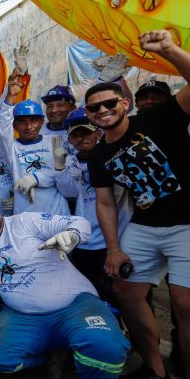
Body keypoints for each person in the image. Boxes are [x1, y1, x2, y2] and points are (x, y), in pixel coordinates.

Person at [86, 30, 190, 379]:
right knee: (125, 289)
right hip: (148, 223)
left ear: (125, 102)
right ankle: (156, 370)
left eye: (109, 103)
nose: (103, 111)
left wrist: (169, 50)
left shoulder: (158, 117)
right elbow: (105, 201)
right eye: (94, 108)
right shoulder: (98, 154)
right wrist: (114, 248)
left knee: (187, 305)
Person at [0, 189, 129, 379]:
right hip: (24, 316)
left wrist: (72, 236)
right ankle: (51, 356)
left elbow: (80, 223)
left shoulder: (24, 222)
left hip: (72, 304)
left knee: (108, 347)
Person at [54, 109, 131, 304]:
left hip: (115, 238)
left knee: (121, 293)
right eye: (76, 135)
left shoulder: (112, 156)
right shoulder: (71, 162)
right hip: (86, 240)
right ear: (70, 140)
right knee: (90, 292)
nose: (81, 139)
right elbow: (70, 192)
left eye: (86, 133)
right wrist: (60, 167)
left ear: (97, 133)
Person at [0, 77, 71, 215]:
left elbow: (66, 176)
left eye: (33, 120)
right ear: (14, 125)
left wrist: (36, 178)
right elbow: (2, 132)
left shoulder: (56, 142)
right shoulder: (10, 149)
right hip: (25, 215)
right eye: (22, 122)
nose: (28, 126)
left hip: (57, 214)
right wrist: (10, 97)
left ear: (42, 122)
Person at [134, 79, 190, 181]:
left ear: (169, 101)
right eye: (144, 98)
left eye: (157, 97)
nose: (150, 101)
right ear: (136, 104)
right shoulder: (131, 132)